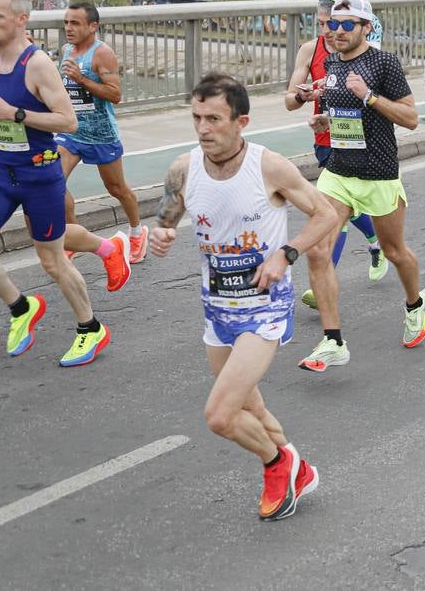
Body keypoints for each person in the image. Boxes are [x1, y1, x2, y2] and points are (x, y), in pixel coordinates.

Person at [150, 73, 338, 521]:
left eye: (213, 118)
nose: (202, 128)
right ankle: (301, 467)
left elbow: (325, 214)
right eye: (196, 117)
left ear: (242, 121)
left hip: (265, 309)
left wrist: (286, 255)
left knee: (220, 415)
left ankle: (278, 466)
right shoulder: (183, 168)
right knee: (250, 407)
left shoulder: (268, 167)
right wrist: (160, 232)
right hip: (217, 311)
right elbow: (168, 215)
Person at [298, 0, 425, 371]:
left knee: (395, 252)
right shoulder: (333, 65)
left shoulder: (383, 62)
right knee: (318, 249)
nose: (336, 32)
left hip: (378, 173)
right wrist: (326, 121)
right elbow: (344, 112)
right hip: (339, 172)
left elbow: (409, 118)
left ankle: (415, 304)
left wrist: (369, 96)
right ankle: (332, 340)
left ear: (366, 27)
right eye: (332, 25)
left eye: (346, 25)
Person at [0, 0, 112, 366]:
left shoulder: (37, 64)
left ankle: (90, 328)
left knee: (52, 260)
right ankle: (21, 306)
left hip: (39, 174)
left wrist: (17, 114)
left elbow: (68, 121)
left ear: (21, 19)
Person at [285, 0, 388, 294]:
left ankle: (323, 285)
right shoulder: (310, 50)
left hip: (361, 139)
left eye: (334, 24)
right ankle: (375, 242)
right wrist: (302, 95)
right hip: (325, 137)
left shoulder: (366, 53)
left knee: (331, 213)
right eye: (322, 24)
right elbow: (289, 101)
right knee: (344, 209)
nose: (328, 31)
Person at [54, 2, 148, 263]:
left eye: (75, 23)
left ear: (93, 26)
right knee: (53, 183)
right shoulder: (66, 50)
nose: (69, 28)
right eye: (66, 22)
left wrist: (82, 79)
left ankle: (137, 232)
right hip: (71, 132)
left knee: (117, 189)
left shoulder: (102, 54)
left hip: (101, 134)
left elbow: (115, 94)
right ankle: (73, 237)